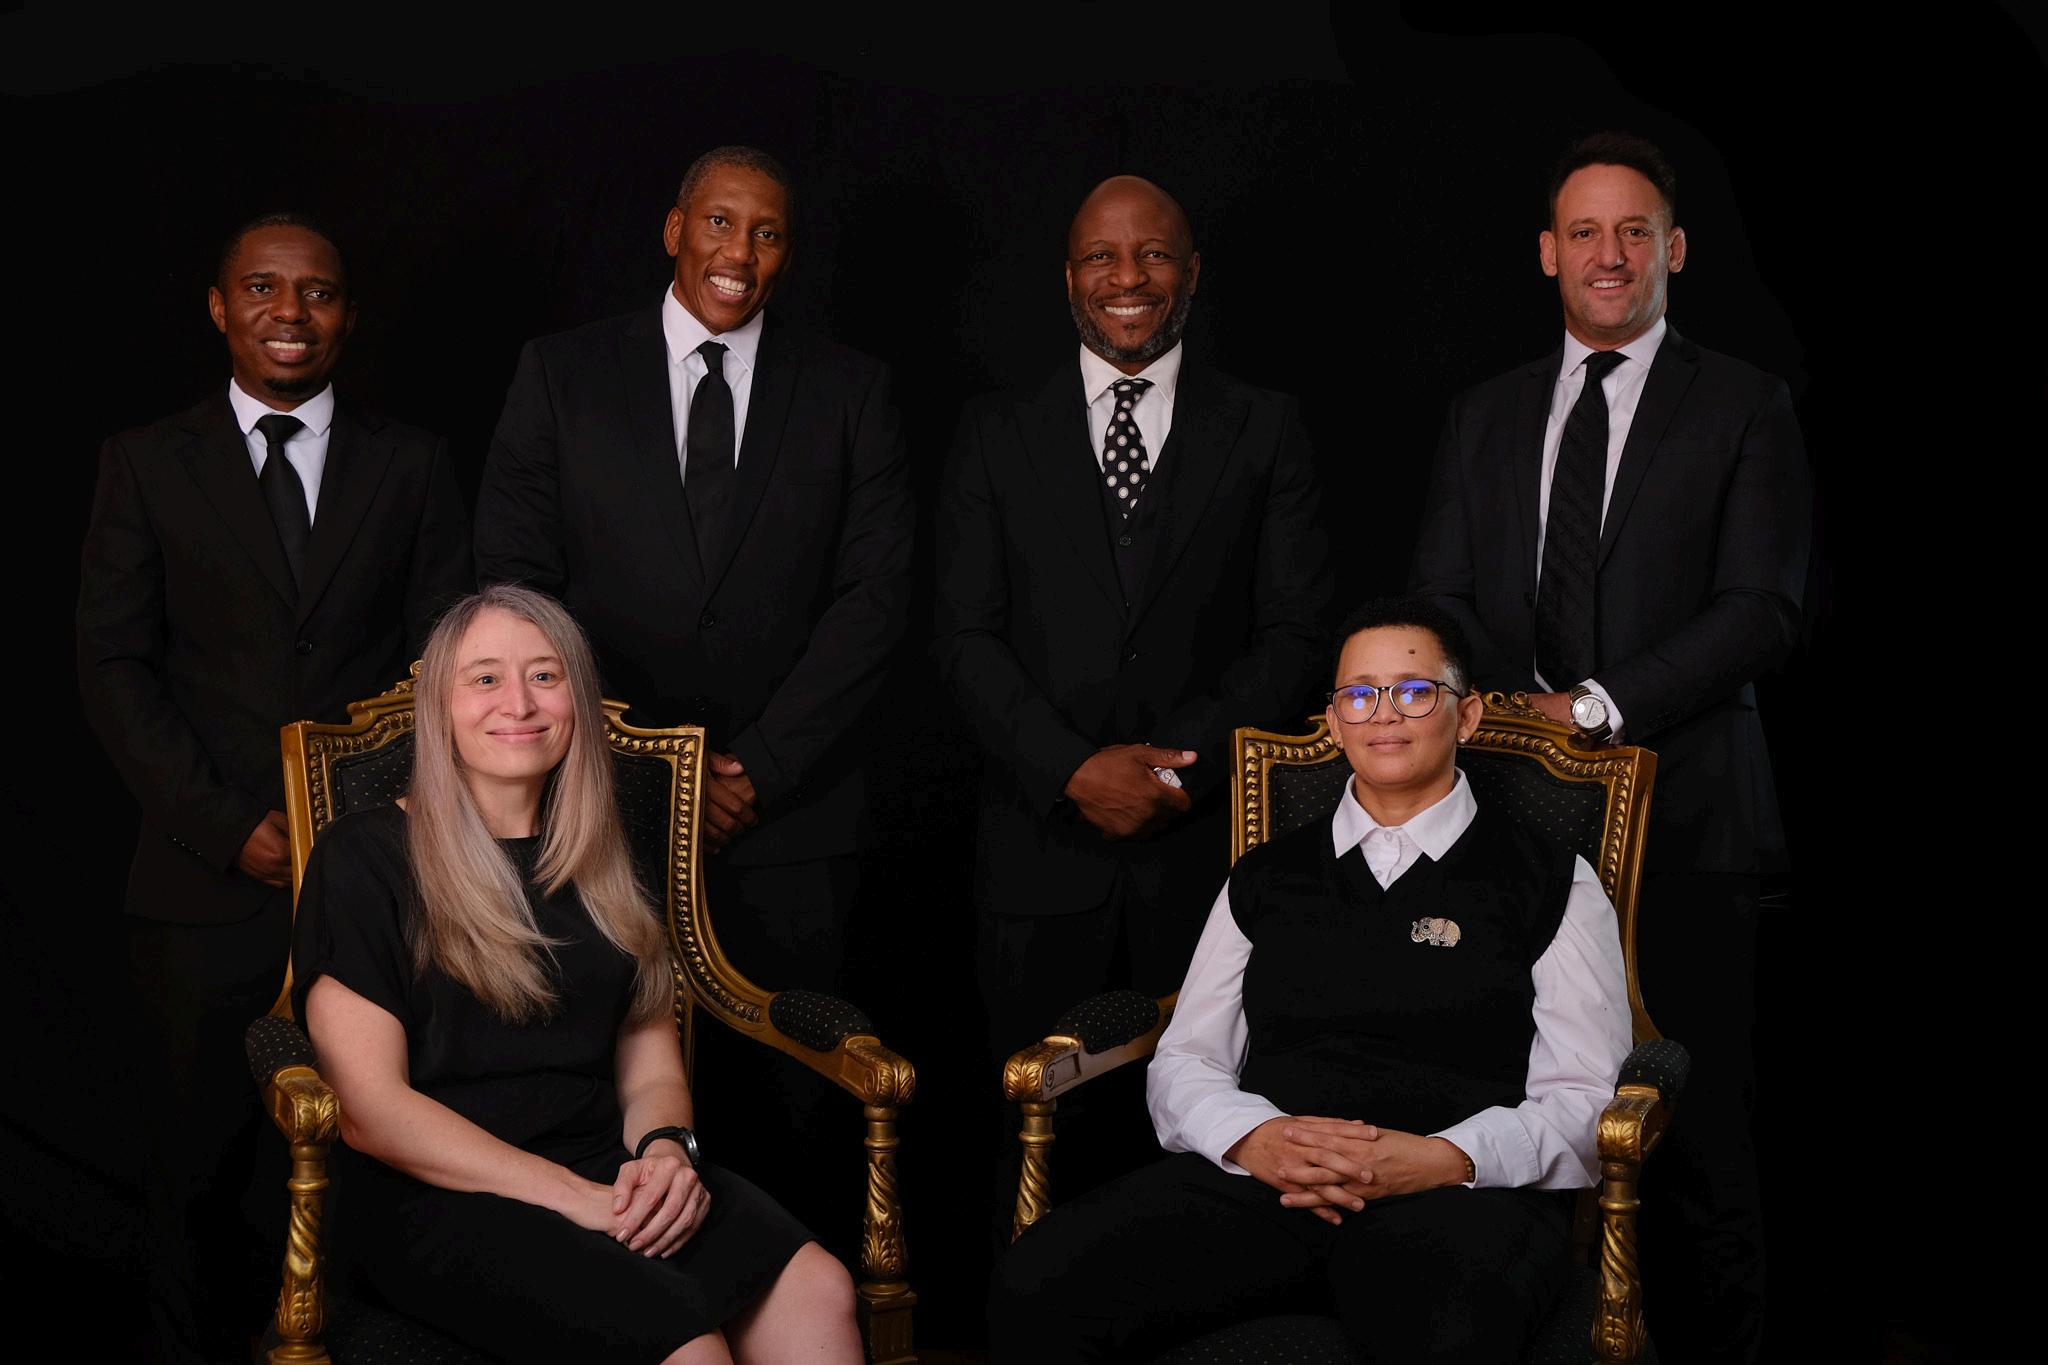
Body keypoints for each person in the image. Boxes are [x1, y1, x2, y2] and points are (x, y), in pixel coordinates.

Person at [1408, 131, 1810, 1362]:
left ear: (1673, 250)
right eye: (1583, 232)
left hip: (1690, 824)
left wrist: (1586, 709)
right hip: (1506, 830)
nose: (1608, 254)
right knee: (1512, 1117)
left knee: (1698, 1138)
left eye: (1633, 231)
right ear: (1546, 253)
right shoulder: (1482, 416)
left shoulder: (1742, 403)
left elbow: (1761, 609)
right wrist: (1491, 712)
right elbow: (1438, 596)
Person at [988, 597, 1630, 1362]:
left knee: (1442, 1328)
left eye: (1414, 691)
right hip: (1271, 1182)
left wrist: (1445, 1157)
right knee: (1038, 1282)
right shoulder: (1266, 876)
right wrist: (1256, 1137)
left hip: (1460, 1197)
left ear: (1467, 716)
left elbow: (1585, 1098)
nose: (1383, 713)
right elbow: (1187, 1059)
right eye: (1359, 694)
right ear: (1333, 721)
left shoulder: (1551, 879)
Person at [75, 213, 471, 1365]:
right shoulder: (146, 461)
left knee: (365, 1162)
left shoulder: (412, 465)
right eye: (261, 289)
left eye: (317, 293)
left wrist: (372, 829)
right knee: (192, 1172)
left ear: (348, 313)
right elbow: (112, 667)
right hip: (201, 884)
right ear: (219, 307)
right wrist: (224, 825)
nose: (289, 314)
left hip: (375, 881)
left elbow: (443, 661)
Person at [291, 585, 859, 1364]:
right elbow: (371, 1112)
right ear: (440, 708)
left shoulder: (603, 858)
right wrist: (576, 1199)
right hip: (436, 1196)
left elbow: (648, 1065)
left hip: (604, 1168)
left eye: (545, 675)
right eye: (485, 678)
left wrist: (665, 1154)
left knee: (821, 1288)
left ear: (577, 700)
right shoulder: (363, 858)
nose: (519, 703)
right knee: (691, 1350)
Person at [935, 173, 1332, 1062]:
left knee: (1204, 1118)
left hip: (1207, 855)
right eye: (1100, 257)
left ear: (1192, 271)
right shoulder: (993, 433)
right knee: (1035, 1121)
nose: (1128, 278)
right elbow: (963, 637)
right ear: (1069, 277)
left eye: (1153, 254)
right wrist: (1073, 768)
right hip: (1037, 858)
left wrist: (1171, 770)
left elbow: (1295, 634)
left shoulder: (1267, 428)